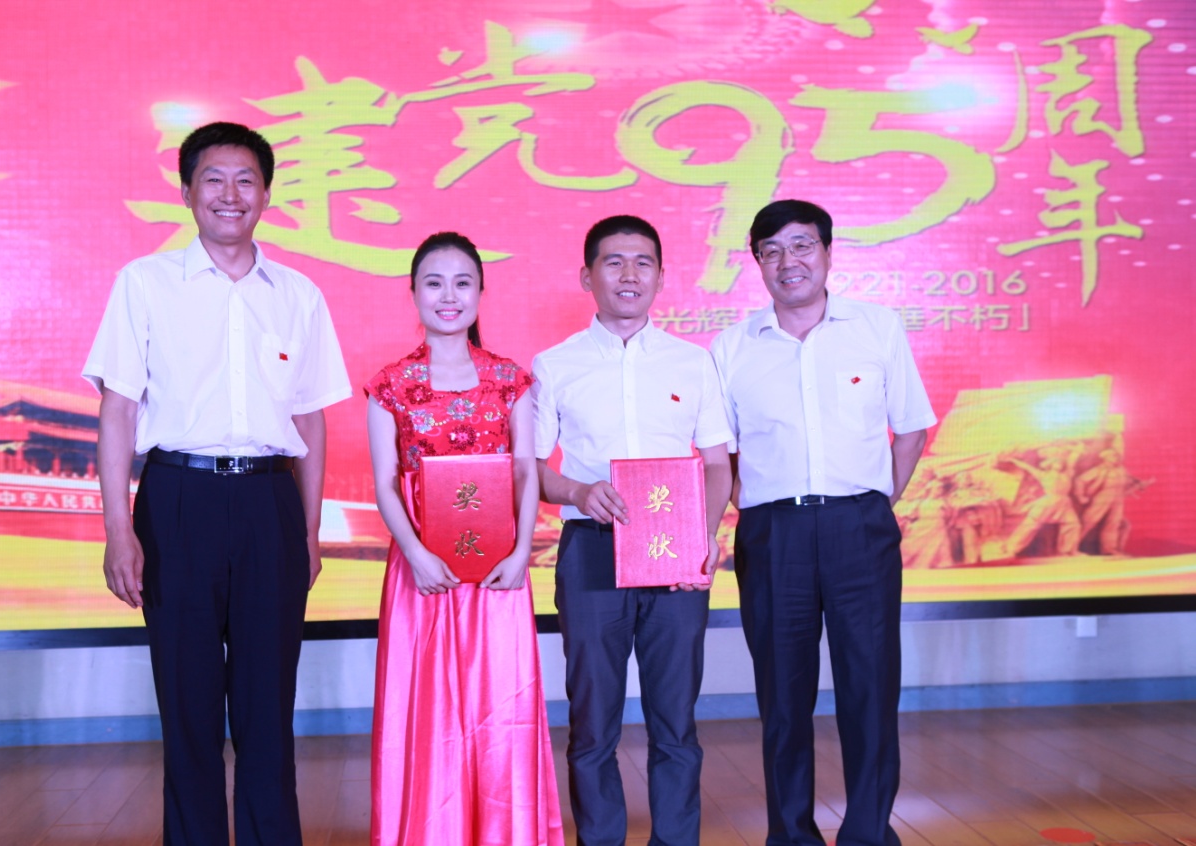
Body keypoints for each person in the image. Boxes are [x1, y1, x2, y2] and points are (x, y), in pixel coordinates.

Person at [83, 122, 352, 846]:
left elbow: (311, 419)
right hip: (178, 500)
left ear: (266, 194)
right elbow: (118, 411)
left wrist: (307, 532)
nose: (230, 194)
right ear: (186, 192)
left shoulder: (298, 294)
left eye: (245, 181)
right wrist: (118, 531)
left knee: (268, 705)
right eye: (213, 179)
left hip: (270, 502)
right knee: (187, 704)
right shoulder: (144, 283)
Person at [710, 199, 936, 846]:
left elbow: (911, 429)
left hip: (859, 528)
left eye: (802, 245)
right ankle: (791, 835)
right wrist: (753, 503)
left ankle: (868, 832)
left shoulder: (876, 328)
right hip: (771, 534)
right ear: (757, 262)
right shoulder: (732, 347)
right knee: (782, 698)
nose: (789, 261)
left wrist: (873, 501)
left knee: (870, 687)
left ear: (828, 253)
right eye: (771, 250)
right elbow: (720, 450)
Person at [533, 215, 734, 846]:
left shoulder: (692, 363)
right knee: (593, 722)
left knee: (675, 720)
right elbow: (531, 469)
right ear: (586, 276)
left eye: (643, 262)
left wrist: (702, 537)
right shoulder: (554, 364)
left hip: (676, 555)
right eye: (614, 261)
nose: (629, 274)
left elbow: (717, 464)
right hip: (591, 553)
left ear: (661, 277)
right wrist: (577, 491)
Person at [365, 232, 564, 846]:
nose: (448, 296)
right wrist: (417, 555)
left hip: (499, 570)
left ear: (480, 292)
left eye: (462, 282)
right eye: (434, 282)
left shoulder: (510, 380)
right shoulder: (390, 385)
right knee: (426, 713)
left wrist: (521, 551)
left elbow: (525, 470)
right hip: (421, 574)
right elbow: (385, 483)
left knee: (501, 709)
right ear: (413, 292)